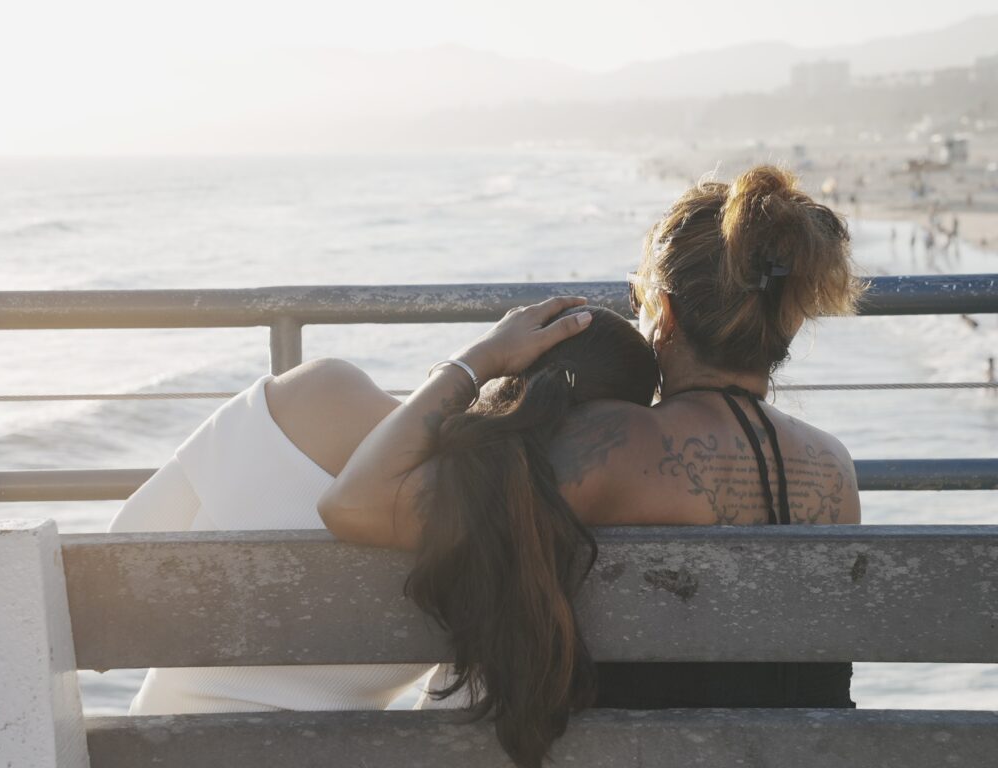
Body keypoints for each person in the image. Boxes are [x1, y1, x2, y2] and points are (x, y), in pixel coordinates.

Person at [318, 165, 863, 767]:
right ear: (787, 319)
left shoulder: (616, 443)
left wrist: (477, 360)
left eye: (638, 300)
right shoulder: (833, 469)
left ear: (663, 312)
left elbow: (355, 503)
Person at [107, 305, 657, 720]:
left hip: (154, 747)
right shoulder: (523, 541)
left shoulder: (319, 393)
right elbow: (446, 721)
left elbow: (122, 560)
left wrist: (471, 362)